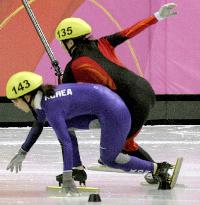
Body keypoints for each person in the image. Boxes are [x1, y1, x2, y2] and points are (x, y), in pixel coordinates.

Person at [54, 3, 177, 184]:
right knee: (126, 143)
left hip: (128, 103)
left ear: (69, 41)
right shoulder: (103, 42)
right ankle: (155, 172)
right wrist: (157, 16)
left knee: (117, 149)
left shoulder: (72, 67)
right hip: (145, 91)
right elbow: (129, 32)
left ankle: (156, 170)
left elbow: (64, 102)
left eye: (62, 44)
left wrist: (61, 81)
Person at [6, 71, 181, 195]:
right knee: (65, 126)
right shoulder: (45, 100)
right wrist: (22, 152)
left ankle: (157, 168)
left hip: (115, 113)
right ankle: (77, 168)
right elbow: (38, 125)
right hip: (106, 109)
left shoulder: (52, 108)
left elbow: (66, 143)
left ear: (27, 97)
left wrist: (67, 178)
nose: (15, 105)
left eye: (15, 101)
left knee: (109, 159)